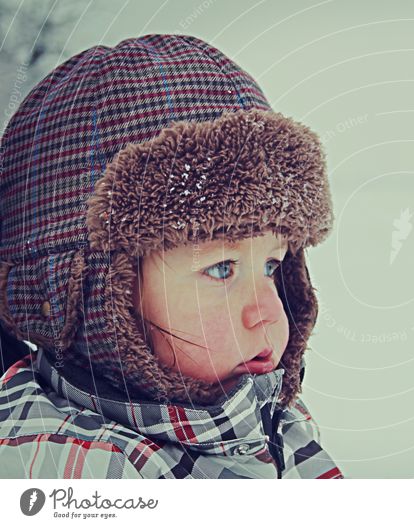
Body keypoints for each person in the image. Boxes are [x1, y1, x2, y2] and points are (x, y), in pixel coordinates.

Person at [0, 34, 342, 478]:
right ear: (90, 300)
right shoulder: (81, 472)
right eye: (222, 268)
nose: (268, 314)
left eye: (272, 266)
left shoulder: (263, 418)